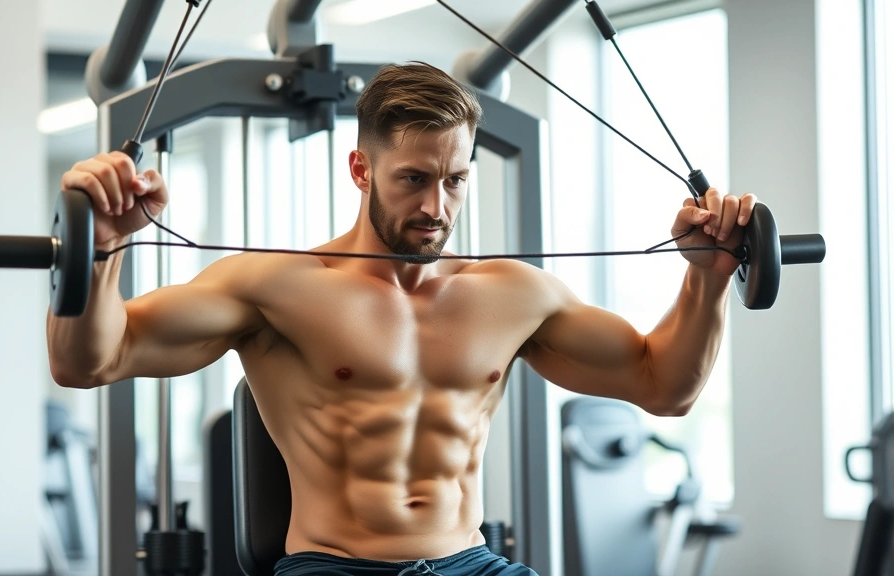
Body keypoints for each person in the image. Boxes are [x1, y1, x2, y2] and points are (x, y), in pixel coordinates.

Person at [49, 62, 755, 576]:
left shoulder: (513, 293)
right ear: (362, 169)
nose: (436, 208)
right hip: (334, 568)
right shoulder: (275, 288)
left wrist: (708, 276)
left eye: (455, 180)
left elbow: (664, 385)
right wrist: (101, 251)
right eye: (413, 179)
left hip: (472, 563)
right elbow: (89, 361)